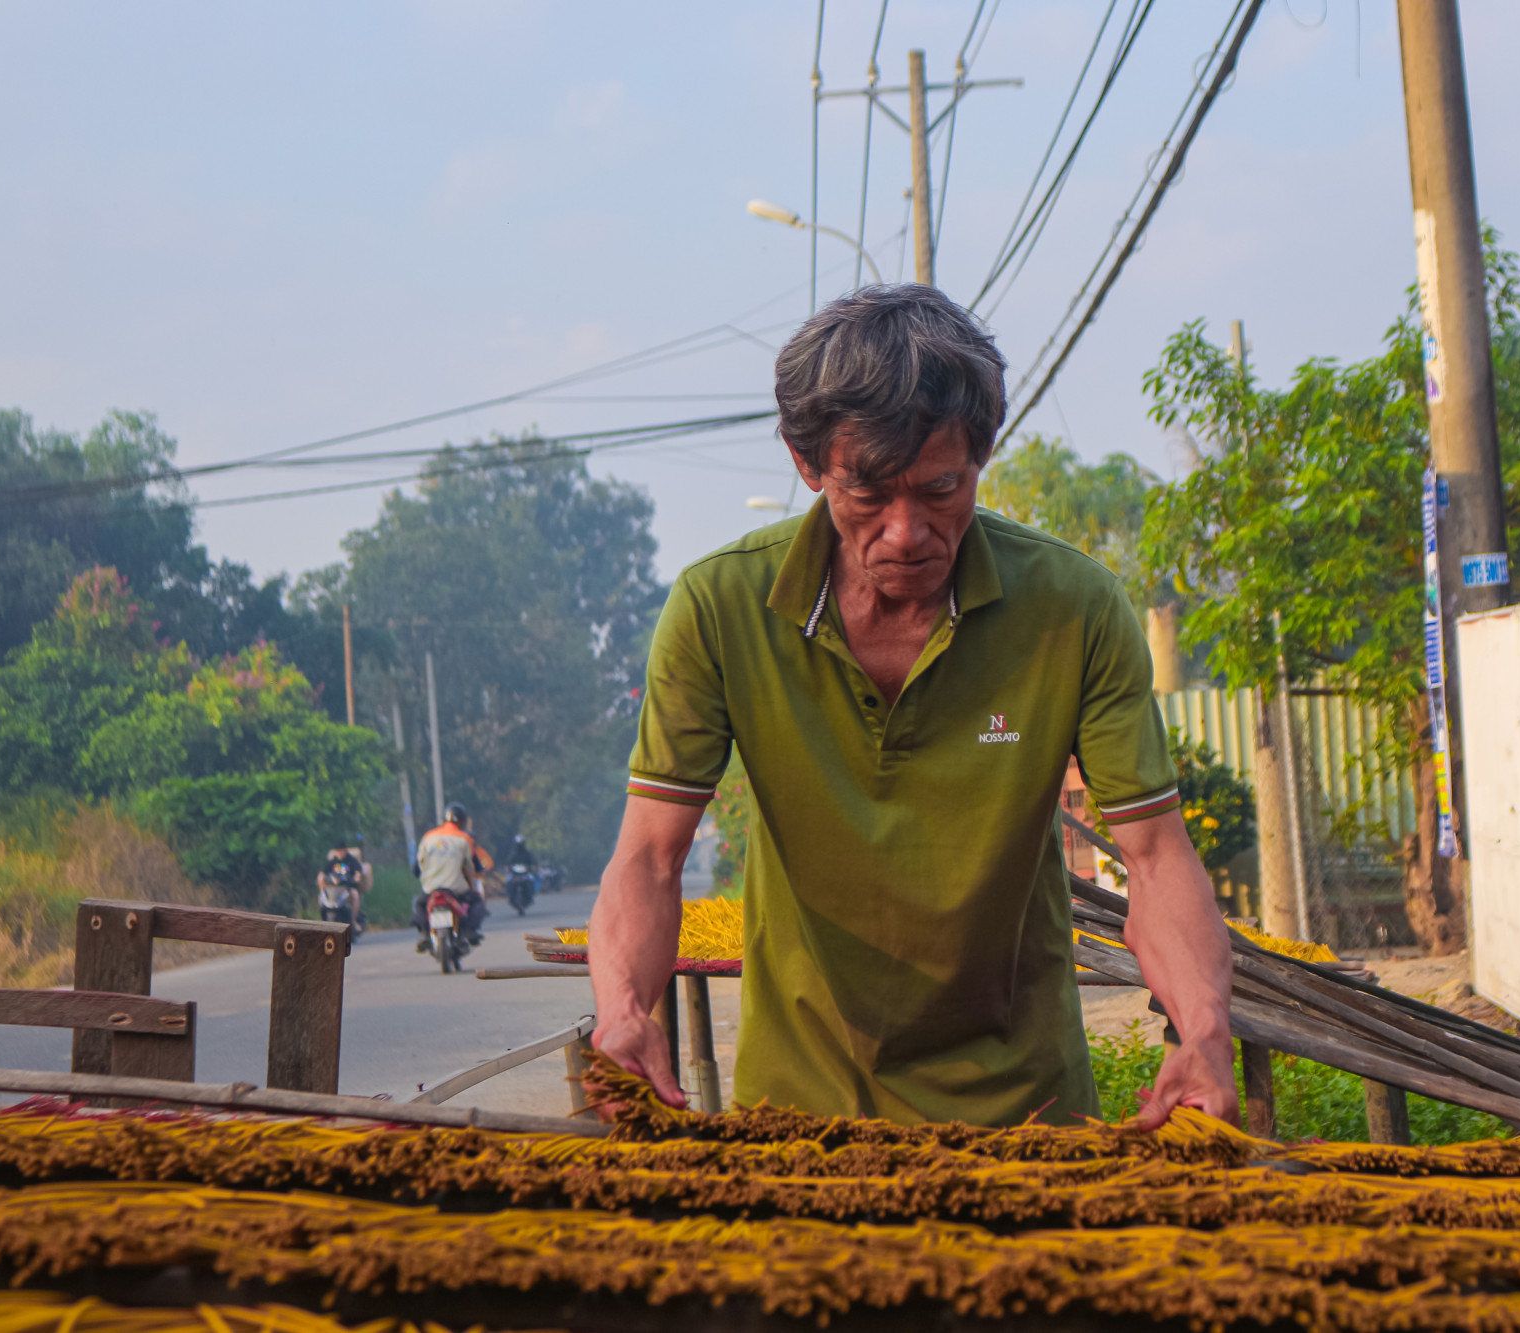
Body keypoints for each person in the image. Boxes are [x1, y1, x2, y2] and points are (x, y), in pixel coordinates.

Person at [588, 284, 1238, 1130]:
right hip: (799, 1118)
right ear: (806, 461)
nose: (905, 530)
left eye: (940, 488)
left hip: (1029, 1116)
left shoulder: (1072, 609)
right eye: (869, 493)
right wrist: (624, 1008)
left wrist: (1206, 1027)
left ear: (980, 459)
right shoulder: (719, 609)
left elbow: (1154, 858)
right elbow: (649, 856)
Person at [414, 802, 488, 948]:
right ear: (462, 820)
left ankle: (424, 934)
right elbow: (470, 867)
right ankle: (470, 931)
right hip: (455, 890)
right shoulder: (464, 839)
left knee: (419, 904)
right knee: (477, 902)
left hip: (432, 889)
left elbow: (418, 867)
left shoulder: (428, 837)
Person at [316, 842, 371, 931]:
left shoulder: (352, 861)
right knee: (321, 898)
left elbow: (358, 873)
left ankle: (353, 921)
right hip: (334, 890)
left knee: (355, 895)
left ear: (345, 851)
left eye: (342, 851)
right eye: (338, 851)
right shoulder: (332, 862)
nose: (340, 853)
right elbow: (323, 874)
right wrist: (321, 880)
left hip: (347, 888)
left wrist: (357, 878)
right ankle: (325, 922)